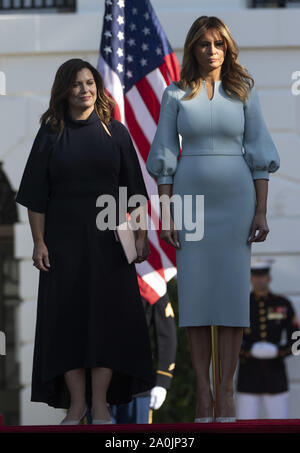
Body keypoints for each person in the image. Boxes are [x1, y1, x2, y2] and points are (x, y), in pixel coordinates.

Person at [145, 16, 280, 422]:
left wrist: (261, 210)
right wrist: (167, 214)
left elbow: (259, 154)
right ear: (193, 49)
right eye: (203, 43)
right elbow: (165, 160)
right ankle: (204, 395)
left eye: (218, 43)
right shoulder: (174, 94)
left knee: (233, 300)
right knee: (199, 300)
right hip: (189, 204)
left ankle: (226, 393)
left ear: (227, 48)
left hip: (237, 202)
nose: (211, 50)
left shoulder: (244, 90)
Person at [15, 58, 156, 425]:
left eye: (90, 83)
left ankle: (101, 405)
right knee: (67, 324)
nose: (85, 89)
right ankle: (76, 405)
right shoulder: (50, 131)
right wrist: (39, 242)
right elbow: (34, 195)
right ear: (65, 90)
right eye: (77, 84)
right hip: (63, 247)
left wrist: (141, 237)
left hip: (111, 245)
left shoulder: (117, 132)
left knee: (106, 323)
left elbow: (136, 193)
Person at [236, 258, 299, 419]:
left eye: (262, 275)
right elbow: (230, 339)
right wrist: (247, 351)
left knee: (280, 427)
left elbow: (297, 341)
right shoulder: (241, 303)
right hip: (248, 378)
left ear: (269, 277)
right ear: (250, 278)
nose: (259, 279)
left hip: (276, 377)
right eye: (255, 275)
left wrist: (279, 351)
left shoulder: (282, 303)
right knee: (245, 427)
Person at [109, 291, 177, 424]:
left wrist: (162, 380)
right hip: (99, 384)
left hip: (137, 383)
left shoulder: (147, 280)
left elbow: (166, 333)